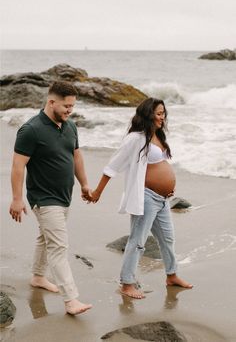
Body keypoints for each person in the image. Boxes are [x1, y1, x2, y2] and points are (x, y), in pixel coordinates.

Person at [90, 97, 193, 299]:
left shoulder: (157, 135)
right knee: (137, 241)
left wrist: (167, 189)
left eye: (164, 113)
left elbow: (157, 166)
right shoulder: (135, 138)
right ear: (148, 114)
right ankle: (127, 283)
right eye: (158, 113)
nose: (162, 117)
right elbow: (112, 166)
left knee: (168, 239)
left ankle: (172, 276)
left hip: (162, 200)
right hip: (146, 197)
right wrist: (97, 192)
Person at [9, 81, 92, 314]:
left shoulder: (70, 126)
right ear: (51, 101)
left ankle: (37, 276)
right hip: (43, 198)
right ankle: (71, 299)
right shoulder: (31, 130)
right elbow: (17, 167)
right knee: (58, 246)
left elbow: (76, 156)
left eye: (72, 106)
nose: (69, 110)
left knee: (45, 239)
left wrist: (84, 184)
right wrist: (17, 199)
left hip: (64, 196)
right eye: (66, 106)